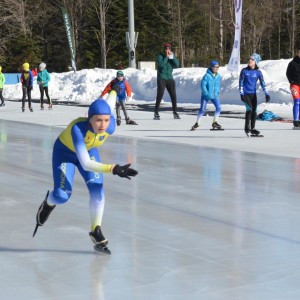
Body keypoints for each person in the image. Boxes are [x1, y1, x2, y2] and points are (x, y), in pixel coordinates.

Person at [33, 94, 138, 254]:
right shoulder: (78, 129)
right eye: (98, 120)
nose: (103, 125)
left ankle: (96, 229)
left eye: (106, 120)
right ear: (89, 119)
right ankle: (49, 202)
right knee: (62, 196)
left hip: (89, 151)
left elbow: (109, 102)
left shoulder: (110, 126)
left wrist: (113, 91)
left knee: (97, 189)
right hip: (65, 153)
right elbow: (86, 164)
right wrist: (114, 168)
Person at [239, 53, 270, 136]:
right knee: (249, 109)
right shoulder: (244, 71)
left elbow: (263, 83)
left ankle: (252, 128)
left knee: (254, 111)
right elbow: (241, 82)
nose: (250, 61)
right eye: (249, 59)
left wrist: (266, 94)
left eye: (252, 59)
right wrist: (241, 93)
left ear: (256, 62)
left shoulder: (258, 72)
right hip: (245, 94)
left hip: (253, 94)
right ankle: (246, 127)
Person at [191, 60, 222, 131]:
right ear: (211, 67)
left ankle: (215, 122)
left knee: (218, 108)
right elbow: (203, 85)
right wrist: (206, 93)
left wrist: (217, 92)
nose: (216, 68)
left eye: (218, 67)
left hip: (214, 95)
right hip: (206, 95)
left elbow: (218, 85)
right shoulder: (207, 76)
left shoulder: (218, 76)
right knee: (202, 109)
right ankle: (197, 123)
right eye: (215, 67)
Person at [154, 43, 180, 120]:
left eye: (169, 49)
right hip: (161, 78)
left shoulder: (171, 55)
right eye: (166, 49)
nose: (167, 50)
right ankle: (156, 112)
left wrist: (173, 57)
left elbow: (177, 64)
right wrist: (166, 57)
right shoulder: (160, 56)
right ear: (164, 49)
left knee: (173, 95)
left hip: (169, 78)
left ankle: (175, 111)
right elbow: (161, 65)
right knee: (160, 94)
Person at [286, 48, 300, 128]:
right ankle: (295, 121)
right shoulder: (292, 63)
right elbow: (288, 73)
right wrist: (291, 81)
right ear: (297, 53)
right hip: (295, 85)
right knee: (297, 101)